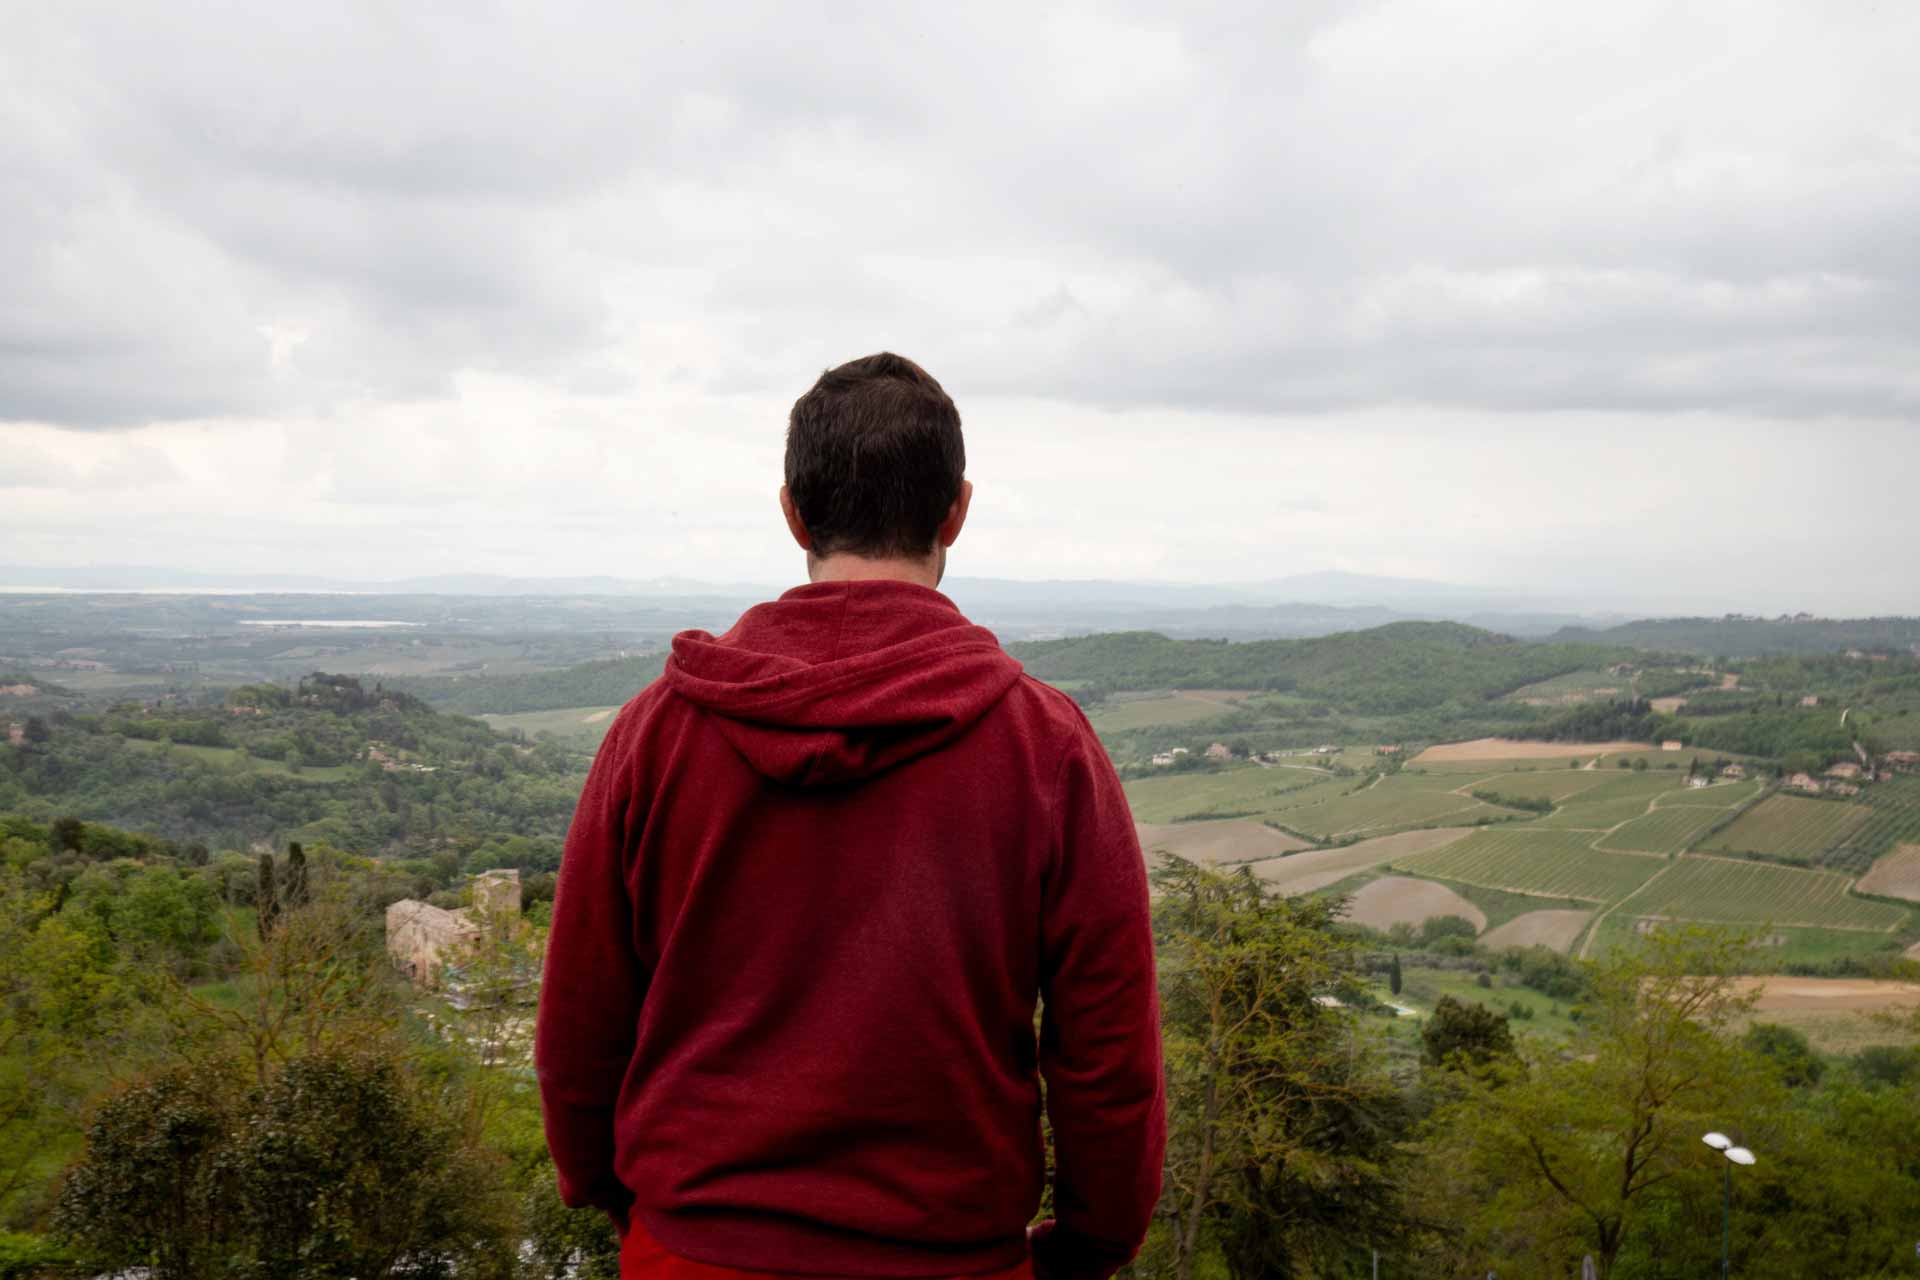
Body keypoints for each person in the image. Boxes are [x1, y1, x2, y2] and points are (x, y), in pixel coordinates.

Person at [535, 352, 1165, 1280]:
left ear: (792, 512)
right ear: (957, 512)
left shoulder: (654, 733)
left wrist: (616, 1193)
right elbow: (1107, 1051)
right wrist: (1094, 1240)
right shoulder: (1046, 746)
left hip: (693, 1247)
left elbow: (581, 1017)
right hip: (952, 1258)